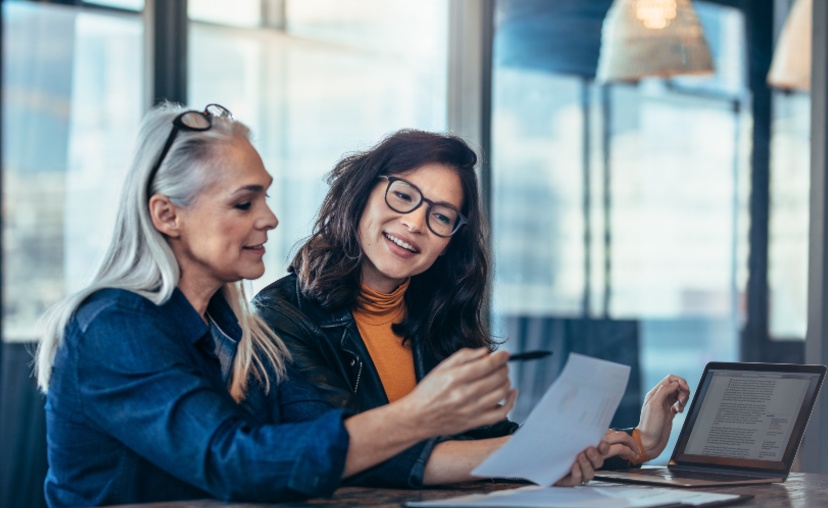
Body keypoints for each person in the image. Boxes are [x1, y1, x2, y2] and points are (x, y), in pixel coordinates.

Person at [34, 104, 609, 508]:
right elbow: (237, 463)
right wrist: (420, 414)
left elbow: (315, 447)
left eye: (265, 195)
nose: (269, 218)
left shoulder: (233, 332)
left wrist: (578, 448)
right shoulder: (114, 325)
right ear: (167, 215)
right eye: (244, 201)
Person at [252, 129, 691, 487]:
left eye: (441, 216)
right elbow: (351, 453)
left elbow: (487, 441)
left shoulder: (436, 317)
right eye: (403, 196)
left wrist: (638, 441)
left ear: (449, 244)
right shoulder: (280, 316)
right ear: (362, 194)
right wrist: (540, 454)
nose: (415, 223)